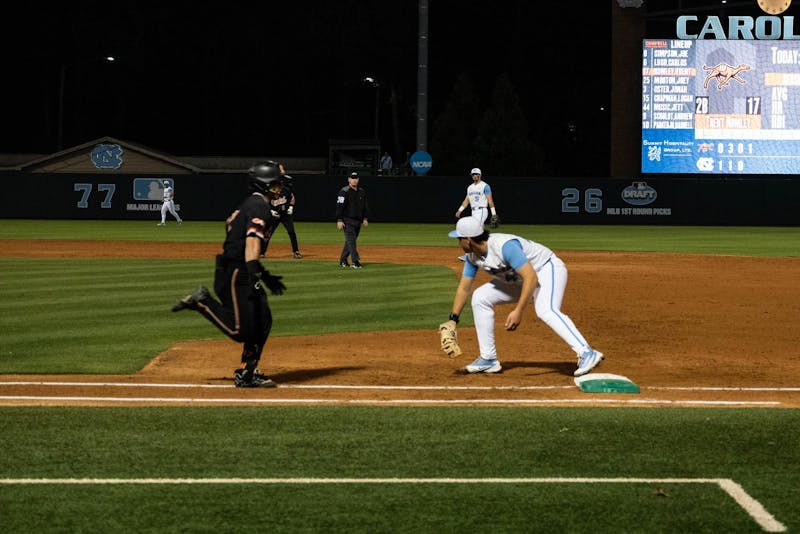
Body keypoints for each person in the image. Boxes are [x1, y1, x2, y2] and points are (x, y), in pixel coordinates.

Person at [170, 160, 287, 388]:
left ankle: (247, 372)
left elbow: (229, 222)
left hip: (237, 266)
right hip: (236, 272)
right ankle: (201, 301)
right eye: (275, 184)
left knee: (263, 320)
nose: (279, 188)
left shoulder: (252, 203)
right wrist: (255, 273)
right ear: (264, 185)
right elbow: (253, 241)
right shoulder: (259, 206)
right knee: (240, 330)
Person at [443, 217, 604, 377]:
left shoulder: (504, 246)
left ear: (469, 239)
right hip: (520, 279)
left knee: (545, 309)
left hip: (545, 269)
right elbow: (464, 288)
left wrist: (519, 310)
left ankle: (587, 352)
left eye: (459, 239)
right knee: (480, 297)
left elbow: (531, 277)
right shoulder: (473, 257)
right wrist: (453, 319)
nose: (458, 243)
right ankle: (488, 359)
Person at [264, 171, 302, 259]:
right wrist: (271, 211)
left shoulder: (286, 191)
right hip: (274, 216)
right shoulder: (270, 192)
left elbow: (292, 198)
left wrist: (291, 208)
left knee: (291, 232)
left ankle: (296, 251)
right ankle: (262, 252)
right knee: (268, 233)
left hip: (285, 215)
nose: (278, 188)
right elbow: (264, 202)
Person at [336, 171, 369, 269]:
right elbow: (339, 206)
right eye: (352, 178)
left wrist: (365, 218)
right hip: (347, 220)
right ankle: (355, 261)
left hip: (358, 221)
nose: (354, 180)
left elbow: (365, 206)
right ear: (349, 179)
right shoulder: (344, 191)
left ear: (358, 179)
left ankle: (343, 260)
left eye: (356, 178)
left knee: (350, 242)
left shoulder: (362, 191)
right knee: (352, 241)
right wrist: (339, 220)